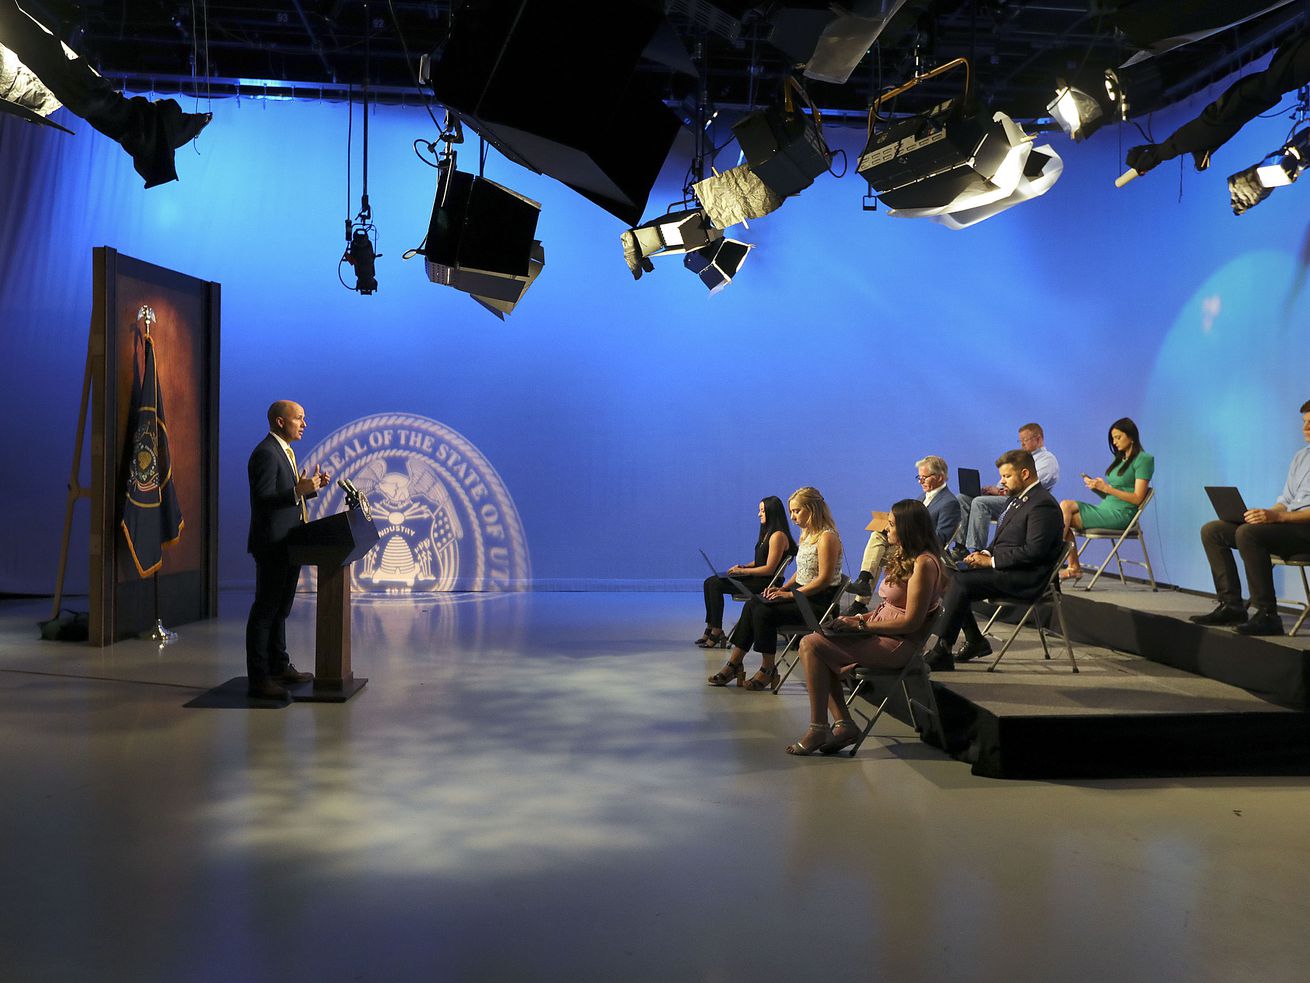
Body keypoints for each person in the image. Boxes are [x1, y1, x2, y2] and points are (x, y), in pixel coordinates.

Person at [786, 499, 948, 755]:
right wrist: (856, 620)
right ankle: (840, 725)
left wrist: (861, 624)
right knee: (817, 640)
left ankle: (823, 727)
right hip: (881, 631)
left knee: (811, 644)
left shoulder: (924, 564)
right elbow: (889, 608)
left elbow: (911, 622)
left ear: (907, 528)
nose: (886, 529)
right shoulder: (908, 557)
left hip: (899, 644)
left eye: (891, 524)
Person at [928, 448, 1064, 668]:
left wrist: (991, 562)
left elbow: (1034, 552)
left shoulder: (1043, 504)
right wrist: (985, 553)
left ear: (1025, 474)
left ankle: (942, 650)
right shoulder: (1015, 500)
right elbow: (1001, 540)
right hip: (1007, 569)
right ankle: (974, 640)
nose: (1002, 482)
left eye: (1007, 476)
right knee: (947, 573)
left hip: (1026, 577)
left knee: (959, 582)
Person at [1191, 400, 1310, 636]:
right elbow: (1286, 499)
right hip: (1287, 524)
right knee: (1213, 530)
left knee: (1248, 534)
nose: (1305, 428)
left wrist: (1277, 517)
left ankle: (1267, 615)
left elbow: (1286, 512)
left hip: (1304, 529)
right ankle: (1232, 606)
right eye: (1304, 422)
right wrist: (1263, 515)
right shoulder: (1301, 456)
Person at [708, 487, 843, 692]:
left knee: (763, 611)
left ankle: (767, 668)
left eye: (797, 511)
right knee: (754, 603)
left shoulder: (827, 538)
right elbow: (802, 571)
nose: (793, 517)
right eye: (791, 512)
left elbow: (824, 580)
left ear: (812, 509)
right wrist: (781, 588)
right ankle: (735, 663)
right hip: (802, 594)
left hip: (817, 602)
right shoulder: (807, 534)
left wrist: (788, 594)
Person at [245, 400, 331, 699]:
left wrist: (309, 488)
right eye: (299, 418)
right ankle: (259, 678)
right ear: (280, 422)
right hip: (272, 544)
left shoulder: (285, 452)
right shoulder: (266, 453)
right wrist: (297, 490)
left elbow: (286, 499)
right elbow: (263, 499)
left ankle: (279, 667)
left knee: (280, 610)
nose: (305, 424)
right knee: (266, 610)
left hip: (289, 543)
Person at [846, 456, 960, 607]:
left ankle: (861, 594)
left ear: (940, 477)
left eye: (924, 477)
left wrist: (905, 532)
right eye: (919, 477)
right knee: (877, 537)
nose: (920, 481)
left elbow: (940, 538)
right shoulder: (922, 497)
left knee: (877, 553)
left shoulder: (949, 503)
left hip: (923, 551)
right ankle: (863, 582)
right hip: (908, 545)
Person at [1058, 418, 1154, 582]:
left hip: (1122, 514)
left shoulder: (1144, 459)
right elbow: (1112, 495)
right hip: (1105, 507)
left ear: (1131, 437)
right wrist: (1098, 488)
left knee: (1065, 516)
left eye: (1118, 437)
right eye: (1113, 438)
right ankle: (1071, 566)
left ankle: (1062, 562)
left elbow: (1138, 499)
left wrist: (1107, 488)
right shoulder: (1120, 460)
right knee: (1065, 507)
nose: (1114, 442)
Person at [696, 496, 797, 648]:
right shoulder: (767, 533)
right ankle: (711, 626)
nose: (759, 514)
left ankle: (717, 631)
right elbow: (760, 561)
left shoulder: (778, 536)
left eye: (762, 511)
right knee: (709, 582)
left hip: (767, 582)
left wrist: (744, 572)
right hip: (758, 577)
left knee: (716, 584)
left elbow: (769, 569)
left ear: (772, 512)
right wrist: (743, 567)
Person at [953, 423, 1059, 556]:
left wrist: (999, 491)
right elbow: (1006, 483)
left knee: (980, 502)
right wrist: (993, 490)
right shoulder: (1021, 458)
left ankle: (977, 551)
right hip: (1004, 496)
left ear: (1038, 439)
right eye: (1020, 441)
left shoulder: (1047, 460)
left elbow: (1030, 485)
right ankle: (960, 547)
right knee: (963, 498)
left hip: (1022, 501)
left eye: (1025, 440)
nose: (1022, 444)